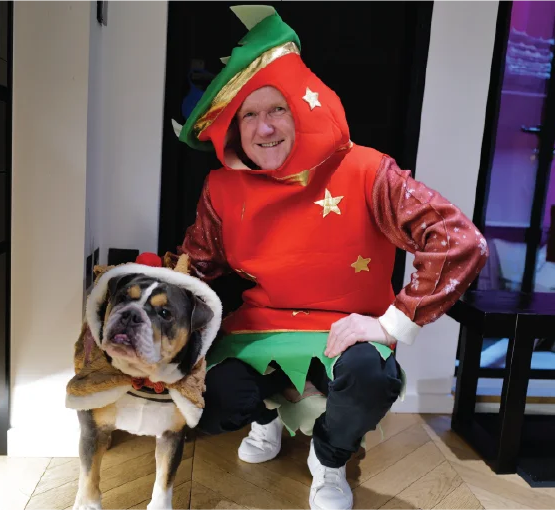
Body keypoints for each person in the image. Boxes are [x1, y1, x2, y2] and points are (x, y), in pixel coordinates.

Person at [171, 7, 488, 510]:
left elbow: (458, 240)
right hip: (258, 329)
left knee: (370, 376)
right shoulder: (222, 188)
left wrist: (391, 324)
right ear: (233, 131)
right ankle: (264, 419)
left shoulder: (366, 170)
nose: (264, 127)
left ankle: (330, 456)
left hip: (346, 329)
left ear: (303, 107)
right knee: (205, 393)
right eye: (247, 115)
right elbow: (195, 266)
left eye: (275, 109)